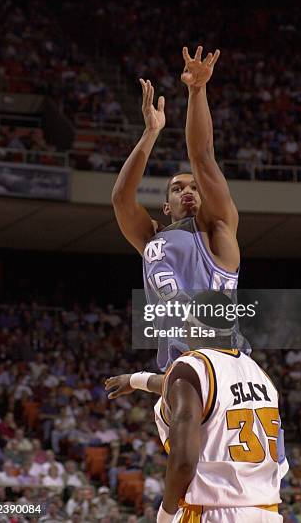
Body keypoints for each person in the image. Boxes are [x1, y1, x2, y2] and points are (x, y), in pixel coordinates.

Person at [112, 46, 246, 371]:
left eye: (195, 188)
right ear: (166, 207)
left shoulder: (218, 230)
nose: (188, 191)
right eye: (178, 188)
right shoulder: (152, 240)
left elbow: (202, 154)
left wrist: (197, 90)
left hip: (221, 363)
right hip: (178, 368)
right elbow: (121, 200)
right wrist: (150, 132)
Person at [105, 306, 288, 522]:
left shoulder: (191, 366)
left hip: (213, 510)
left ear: (195, 329)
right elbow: (195, 387)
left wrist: (165, 516)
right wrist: (136, 380)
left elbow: (184, 461)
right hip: (266, 511)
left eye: (187, 324)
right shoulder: (260, 374)